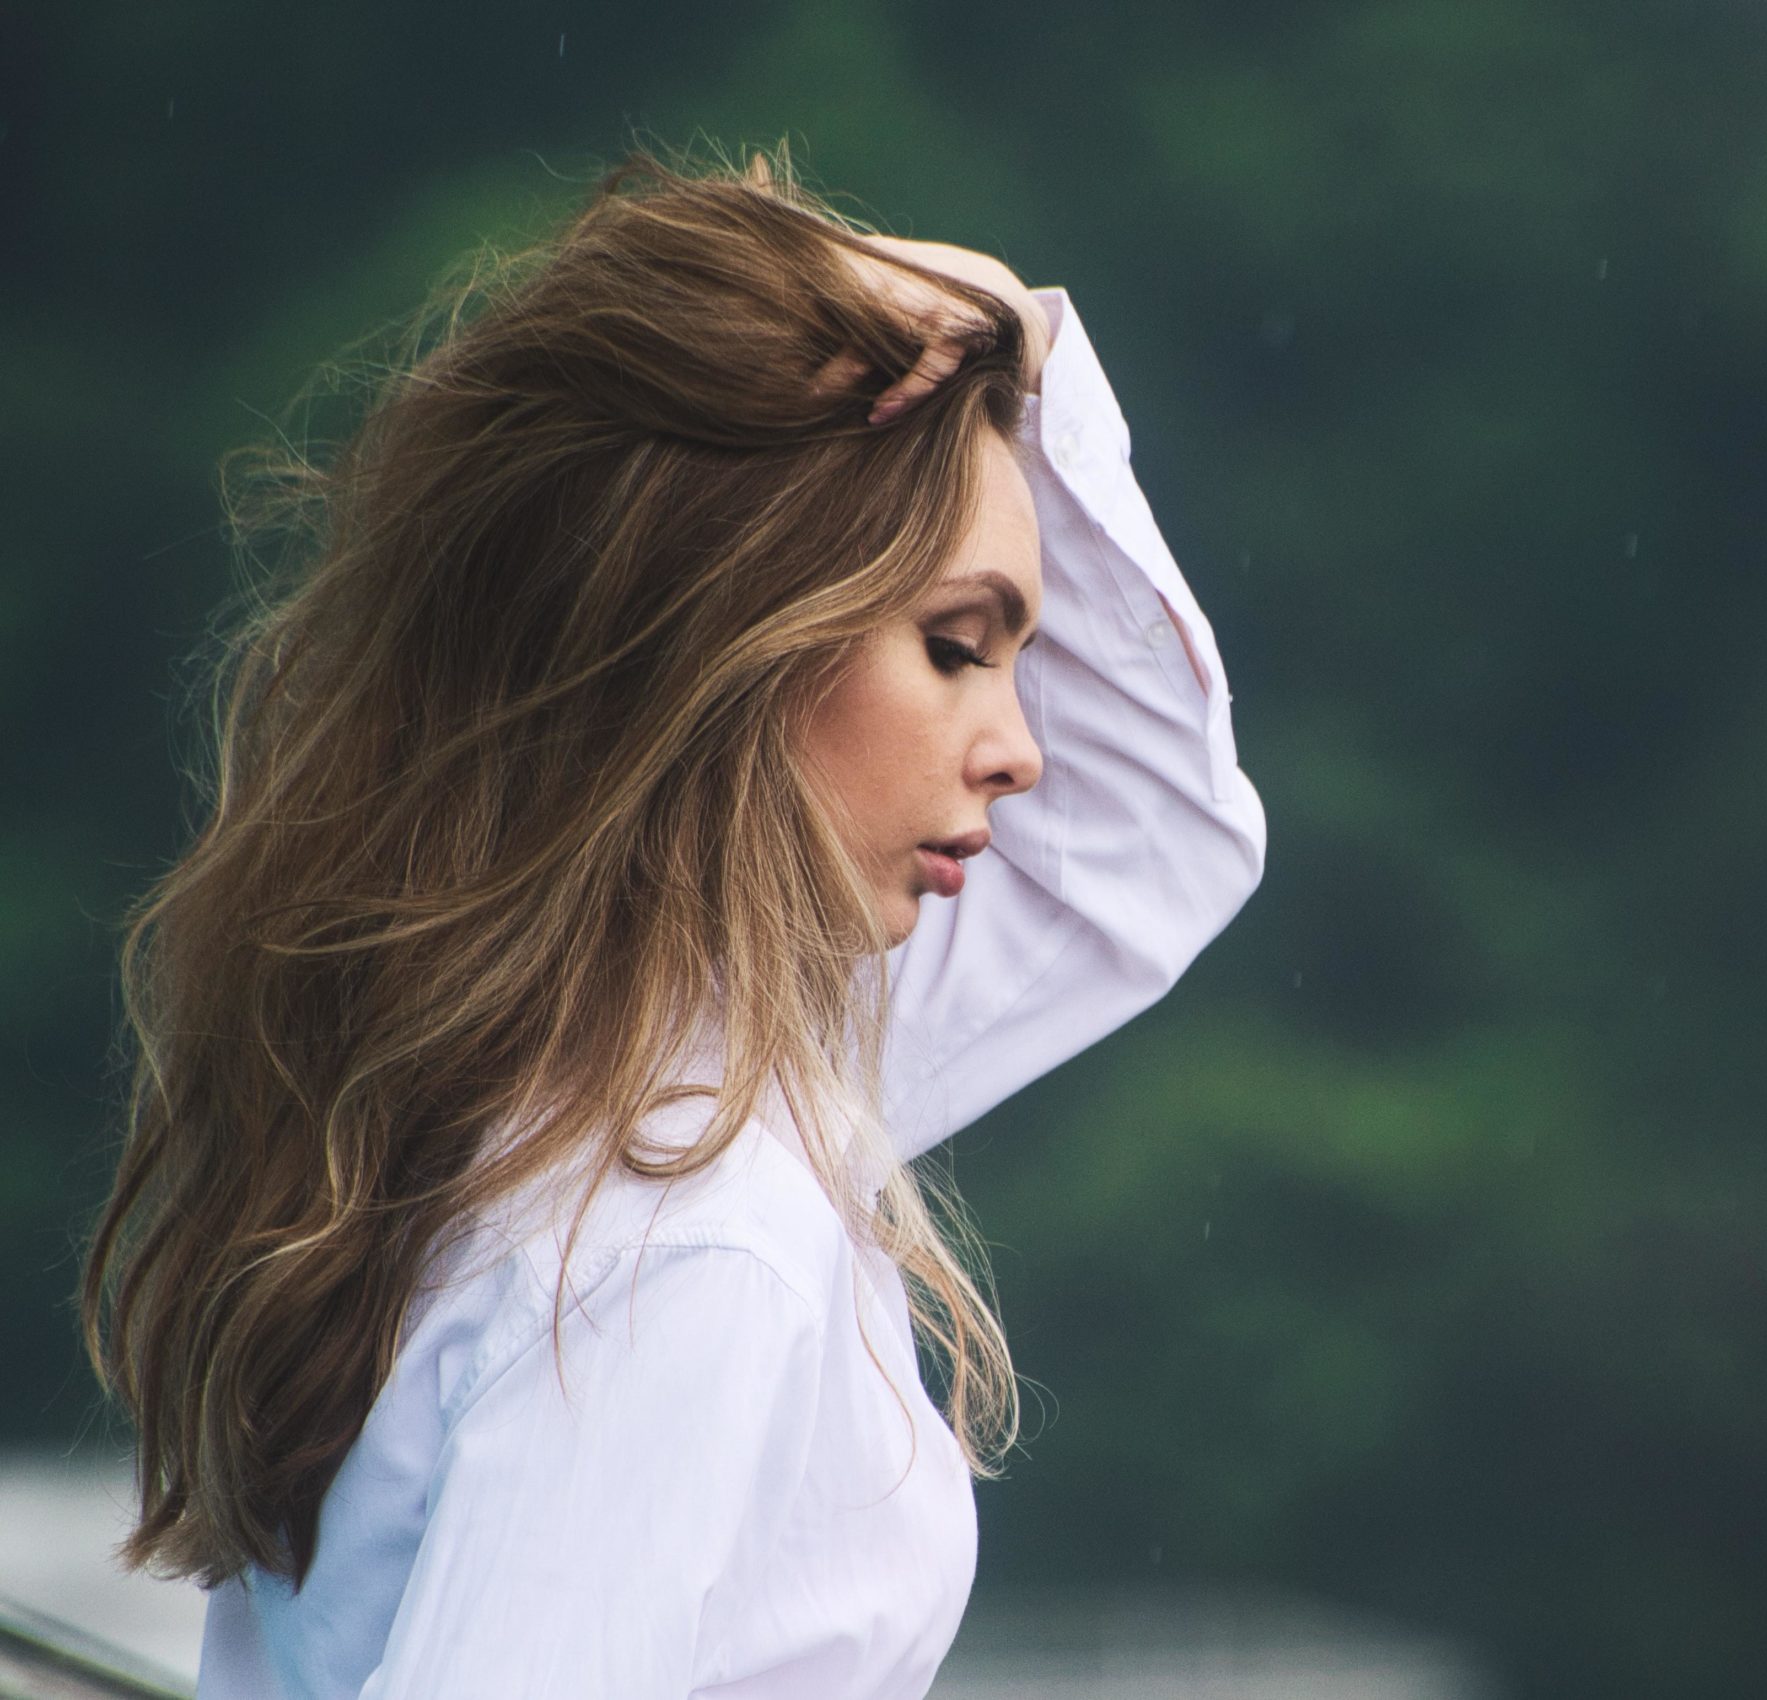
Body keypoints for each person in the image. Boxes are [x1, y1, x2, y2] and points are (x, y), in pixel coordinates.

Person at [78, 147, 1266, 1698]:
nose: (1021, 748)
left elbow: (1152, 847)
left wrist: (1020, 354)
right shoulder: (684, 1224)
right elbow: (1144, 845)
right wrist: (1009, 343)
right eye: (959, 646)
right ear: (727, 639)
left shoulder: (521, 1097)